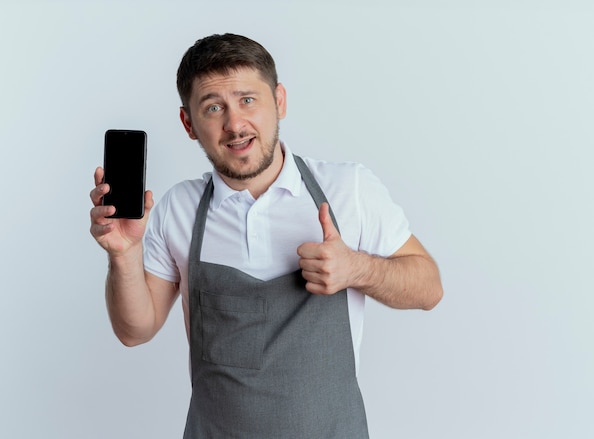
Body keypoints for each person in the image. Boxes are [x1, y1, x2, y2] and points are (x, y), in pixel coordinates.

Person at [89, 33, 443, 438]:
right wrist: (123, 253)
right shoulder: (178, 208)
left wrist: (358, 269)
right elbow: (135, 330)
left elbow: (428, 287)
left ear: (280, 102)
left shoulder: (349, 189)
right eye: (213, 107)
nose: (234, 123)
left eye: (247, 100)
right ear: (188, 123)